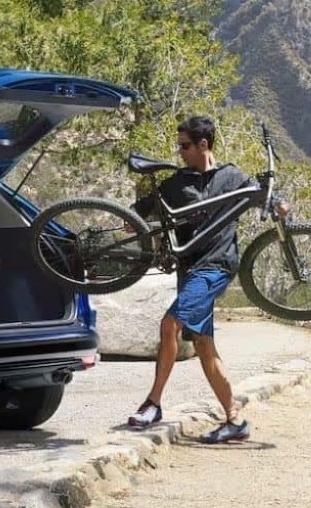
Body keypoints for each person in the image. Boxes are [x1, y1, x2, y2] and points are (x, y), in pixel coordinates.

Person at [124, 115, 290, 444]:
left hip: (216, 266)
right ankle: (235, 420)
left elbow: (263, 197)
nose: (180, 152)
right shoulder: (177, 182)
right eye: (179, 146)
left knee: (169, 325)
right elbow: (143, 207)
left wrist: (280, 205)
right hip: (190, 268)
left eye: (185, 146)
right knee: (203, 345)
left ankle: (153, 403)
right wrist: (133, 219)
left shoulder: (232, 177)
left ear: (204, 145)